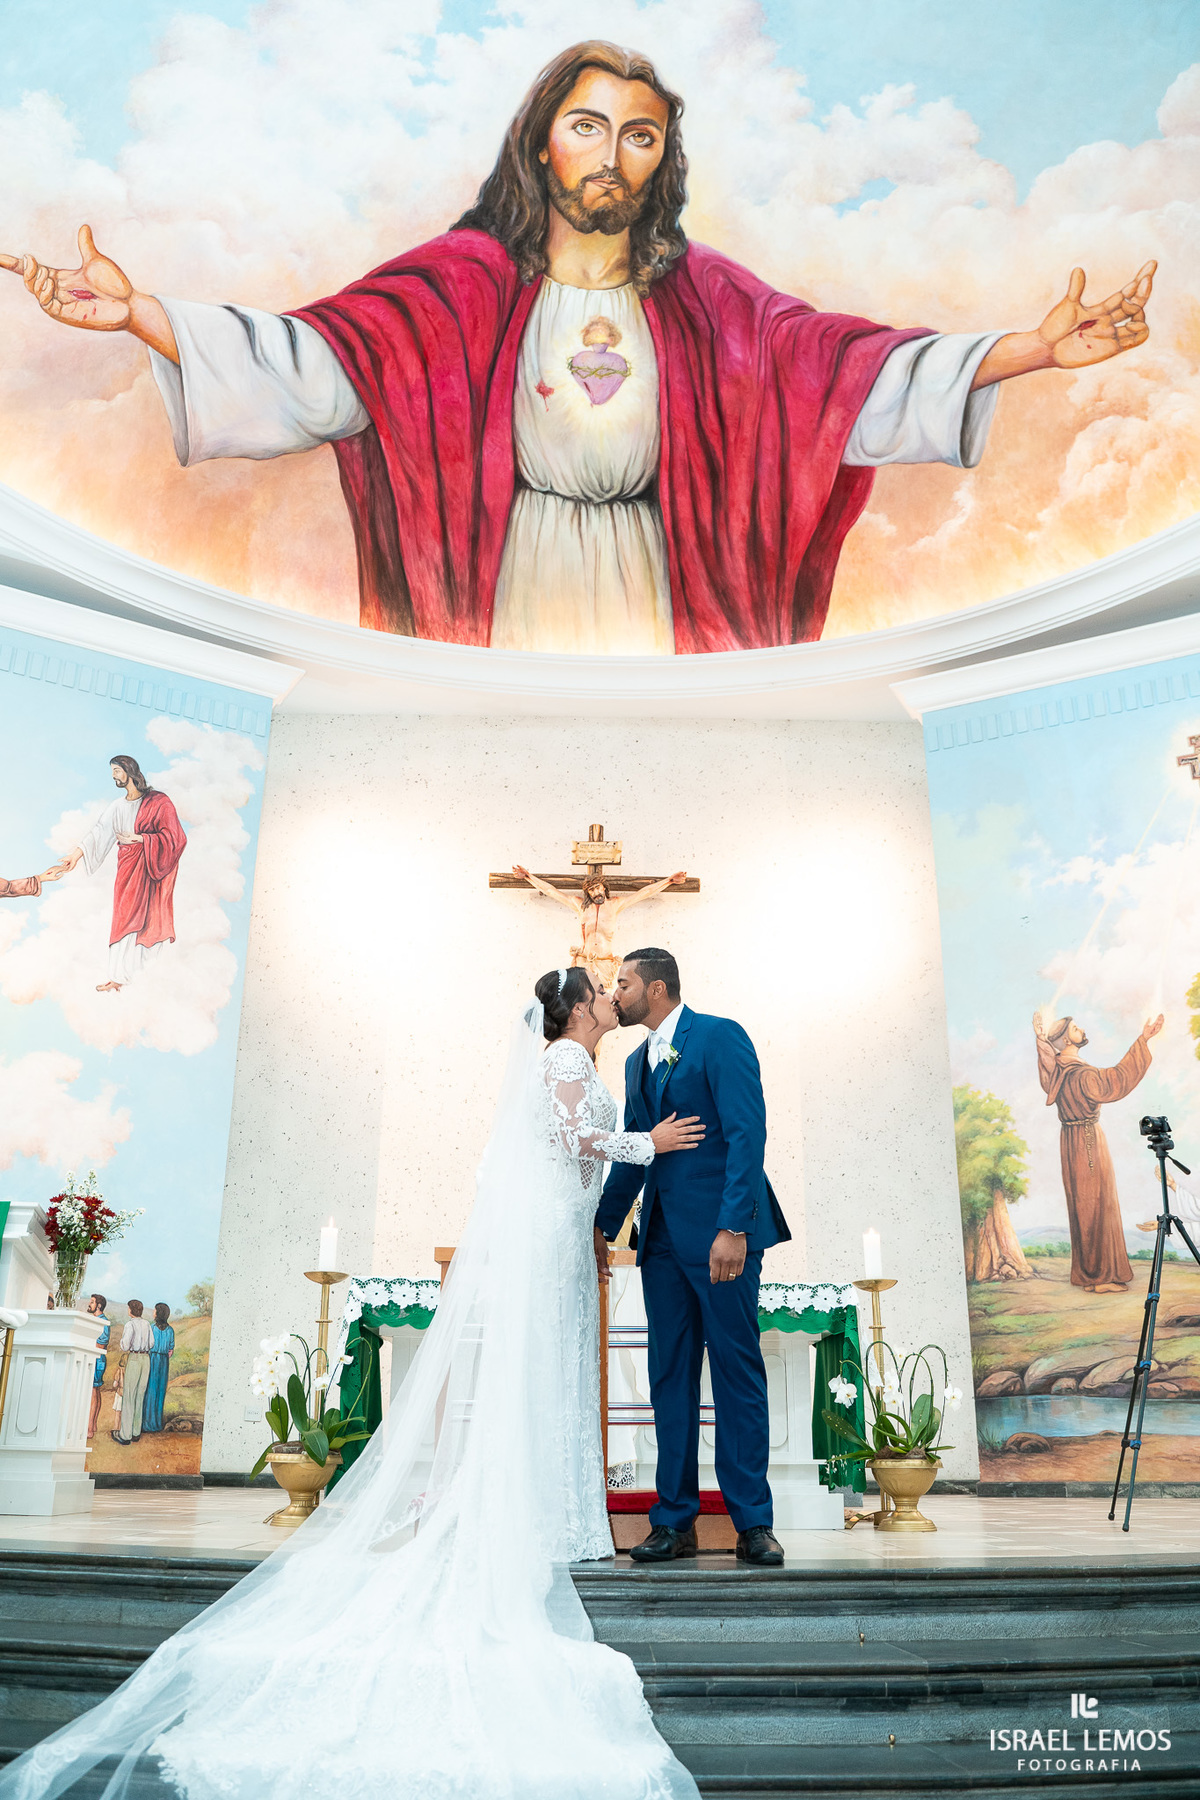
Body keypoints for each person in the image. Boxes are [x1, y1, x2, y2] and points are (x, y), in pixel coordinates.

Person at [0, 44, 1155, 657]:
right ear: (544, 144)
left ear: (662, 162)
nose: (613, 151)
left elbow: (848, 376)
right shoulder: (458, 290)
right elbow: (312, 365)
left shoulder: (711, 305)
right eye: (590, 124)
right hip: (509, 584)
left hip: (661, 584)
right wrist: (141, 312)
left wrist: (1035, 350)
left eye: (640, 134)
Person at [0, 971, 705, 1800]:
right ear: (575, 1009)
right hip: (546, 1230)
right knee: (536, 1373)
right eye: (595, 992)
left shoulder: (581, 1064)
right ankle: (536, 1513)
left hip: (557, 1236)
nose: (603, 1000)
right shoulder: (561, 1063)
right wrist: (645, 1145)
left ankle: (558, 1512)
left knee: (551, 1375)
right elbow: (571, 1142)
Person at [595, 949, 790, 1566]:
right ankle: (674, 1521)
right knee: (668, 1378)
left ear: (655, 988)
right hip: (658, 1245)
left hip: (720, 1243)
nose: (613, 992)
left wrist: (734, 1225)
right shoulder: (634, 1062)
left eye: (621, 983)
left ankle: (752, 1523)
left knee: (736, 1372)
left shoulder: (719, 1037)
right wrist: (598, 1227)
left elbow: (746, 1132)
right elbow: (637, 1149)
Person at [1034, 1011, 1163, 1292]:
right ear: (1067, 1037)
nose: (1082, 1030)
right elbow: (1115, 1080)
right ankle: (1100, 1278)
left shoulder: (1058, 1070)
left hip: (1070, 1140)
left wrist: (1040, 1040)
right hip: (1089, 1140)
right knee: (1097, 1203)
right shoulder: (1081, 1074)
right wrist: (1142, 1041)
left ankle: (1090, 1275)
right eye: (1076, 1028)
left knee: (1084, 1205)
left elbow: (1046, 1068)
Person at [50, 756, 187, 992]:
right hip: (127, 871)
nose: (113, 775)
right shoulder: (117, 806)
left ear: (129, 771)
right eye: (112, 771)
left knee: (150, 920)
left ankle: (147, 978)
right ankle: (118, 977)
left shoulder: (159, 801)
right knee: (124, 918)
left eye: (116, 770)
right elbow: (99, 832)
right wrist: (76, 855)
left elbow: (176, 838)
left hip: (151, 872)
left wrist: (143, 839)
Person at [112, 1300, 153, 1445]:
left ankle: (125, 1435)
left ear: (131, 1310)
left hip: (135, 1358)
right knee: (140, 1396)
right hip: (146, 1359)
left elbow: (125, 1345)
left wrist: (123, 1342)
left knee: (129, 1396)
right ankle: (136, 1432)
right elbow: (152, 1343)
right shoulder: (147, 1324)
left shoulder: (130, 1325)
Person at [142, 1303, 175, 1434]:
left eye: (155, 1310)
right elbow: (171, 1350)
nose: (153, 1312)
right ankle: (156, 1424)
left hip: (153, 1359)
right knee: (160, 1391)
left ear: (158, 1313)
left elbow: (147, 1345)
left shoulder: (152, 1328)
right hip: (164, 1362)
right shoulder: (170, 1330)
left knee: (150, 1390)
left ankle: (147, 1424)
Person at [86, 1293, 109, 1443]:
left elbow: (102, 1343)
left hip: (97, 1358)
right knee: (96, 1392)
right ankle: (92, 1425)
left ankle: (89, 1428)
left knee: (93, 1392)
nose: (89, 1304)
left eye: (92, 1302)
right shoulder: (96, 1319)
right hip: (94, 1357)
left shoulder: (103, 1322)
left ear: (99, 1306)